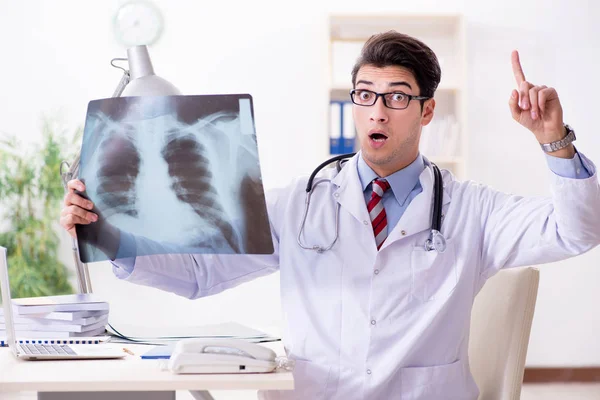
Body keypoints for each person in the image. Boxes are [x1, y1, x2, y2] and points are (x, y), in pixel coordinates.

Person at [60, 31, 600, 400]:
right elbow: (201, 273)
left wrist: (554, 141)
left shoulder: (472, 210)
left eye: (396, 97)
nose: (377, 111)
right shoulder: (300, 202)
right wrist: (109, 232)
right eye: (365, 95)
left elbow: (576, 230)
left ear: (427, 110)